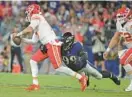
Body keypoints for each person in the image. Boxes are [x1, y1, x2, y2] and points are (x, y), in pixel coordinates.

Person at [14, 4, 87, 91]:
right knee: (33, 60)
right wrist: (22, 39)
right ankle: (35, 84)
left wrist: (18, 34)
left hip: (52, 44)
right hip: (46, 45)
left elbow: (29, 29)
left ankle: (81, 78)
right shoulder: (37, 23)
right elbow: (33, 41)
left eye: (29, 12)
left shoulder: (36, 17)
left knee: (59, 68)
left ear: (32, 11)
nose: (28, 14)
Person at [103, 6, 132, 91]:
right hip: (129, 48)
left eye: (121, 16)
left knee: (123, 60)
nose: (119, 18)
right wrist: (108, 50)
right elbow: (116, 37)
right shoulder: (120, 23)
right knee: (122, 56)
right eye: (118, 16)